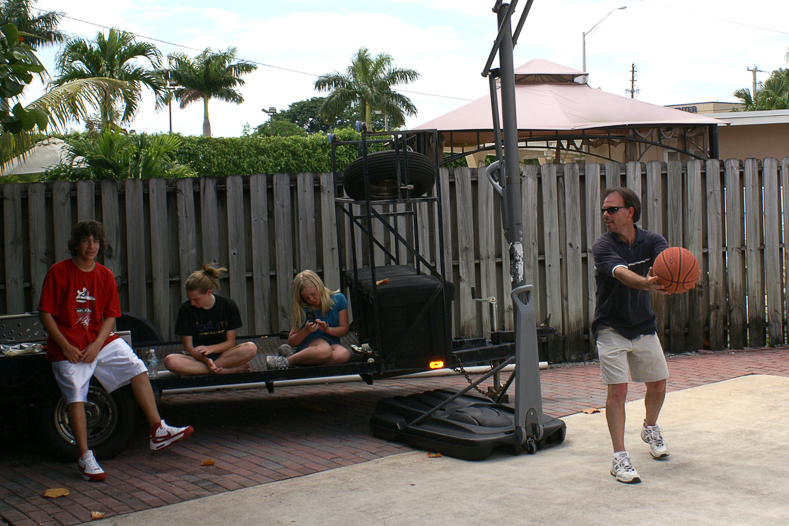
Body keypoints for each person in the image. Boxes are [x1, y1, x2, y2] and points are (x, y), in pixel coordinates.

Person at [38, 220, 193, 483]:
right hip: (69, 345)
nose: (91, 246)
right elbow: (45, 314)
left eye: (96, 241)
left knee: (137, 367)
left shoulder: (105, 275)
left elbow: (110, 316)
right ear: (76, 244)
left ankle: (158, 430)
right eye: (86, 240)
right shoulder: (58, 272)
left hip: (99, 340)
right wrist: (66, 346)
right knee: (76, 392)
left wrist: (98, 344)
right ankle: (85, 456)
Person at [591, 187, 683, 484]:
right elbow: (620, 273)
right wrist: (646, 283)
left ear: (630, 212)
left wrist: (678, 278)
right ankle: (619, 458)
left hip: (643, 325)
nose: (606, 214)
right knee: (617, 391)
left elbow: (667, 266)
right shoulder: (603, 245)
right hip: (611, 327)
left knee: (657, 385)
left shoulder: (653, 241)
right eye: (604, 210)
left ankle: (650, 426)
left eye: (612, 209)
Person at [165, 265, 257, 376]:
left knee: (250, 348)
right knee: (170, 361)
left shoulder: (228, 305)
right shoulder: (186, 309)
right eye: (190, 299)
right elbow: (188, 347)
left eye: (196, 299)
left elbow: (230, 343)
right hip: (197, 357)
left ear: (208, 292)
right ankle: (226, 371)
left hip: (224, 355)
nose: (192, 303)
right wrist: (205, 360)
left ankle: (201, 371)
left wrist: (210, 349)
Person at [266, 270, 351, 369]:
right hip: (311, 343)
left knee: (344, 354)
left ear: (319, 287)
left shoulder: (338, 299)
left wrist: (328, 330)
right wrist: (305, 331)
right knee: (324, 350)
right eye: (306, 297)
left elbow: (344, 330)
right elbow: (292, 341)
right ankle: (285, 361)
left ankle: (295, 359)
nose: (311, 299)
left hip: (332, 342)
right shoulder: (302, 309)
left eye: (313, 294)